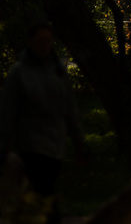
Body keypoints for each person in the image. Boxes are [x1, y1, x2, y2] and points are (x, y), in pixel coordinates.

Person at [0, 22, 87, 223]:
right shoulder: (19, 74)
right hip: (30, 145)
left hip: (55, 145)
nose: (45, 46)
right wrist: (4, 145)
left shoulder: (57, 72)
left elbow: (69, 110)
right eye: (40, 41)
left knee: (42, 195)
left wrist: (79, 142)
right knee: (42, 193)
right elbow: (8, 112)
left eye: (48, 41)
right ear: (30, 42)